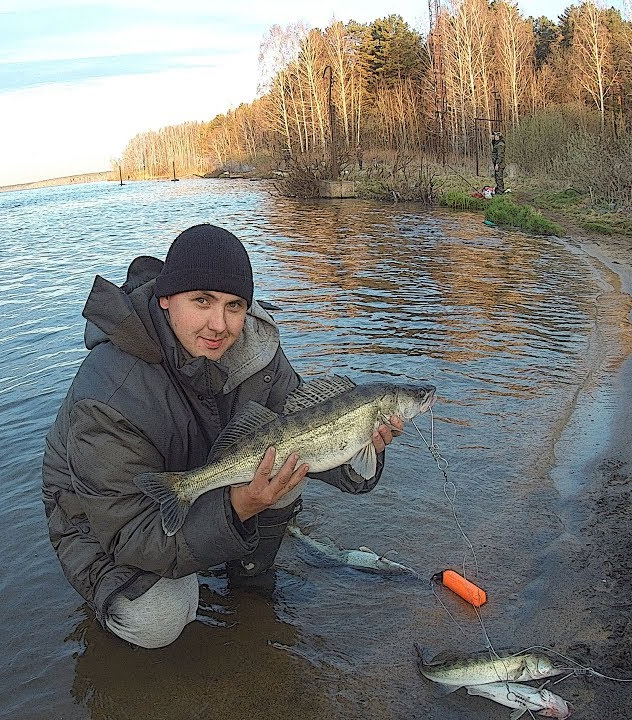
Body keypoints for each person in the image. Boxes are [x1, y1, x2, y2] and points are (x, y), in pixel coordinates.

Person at [40, 223, 404, 648]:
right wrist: (235, 507)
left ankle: (249, 579)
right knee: (159, 616)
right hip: (101, 515)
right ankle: (111, 607)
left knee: (282, 475)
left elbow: (309, 430)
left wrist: (365, 450)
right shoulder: (109, 395)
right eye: (202, 301)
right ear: (165, 299)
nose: (220, 324)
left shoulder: (258, 352)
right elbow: (128, 533)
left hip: (200, 471)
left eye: (235, 306)